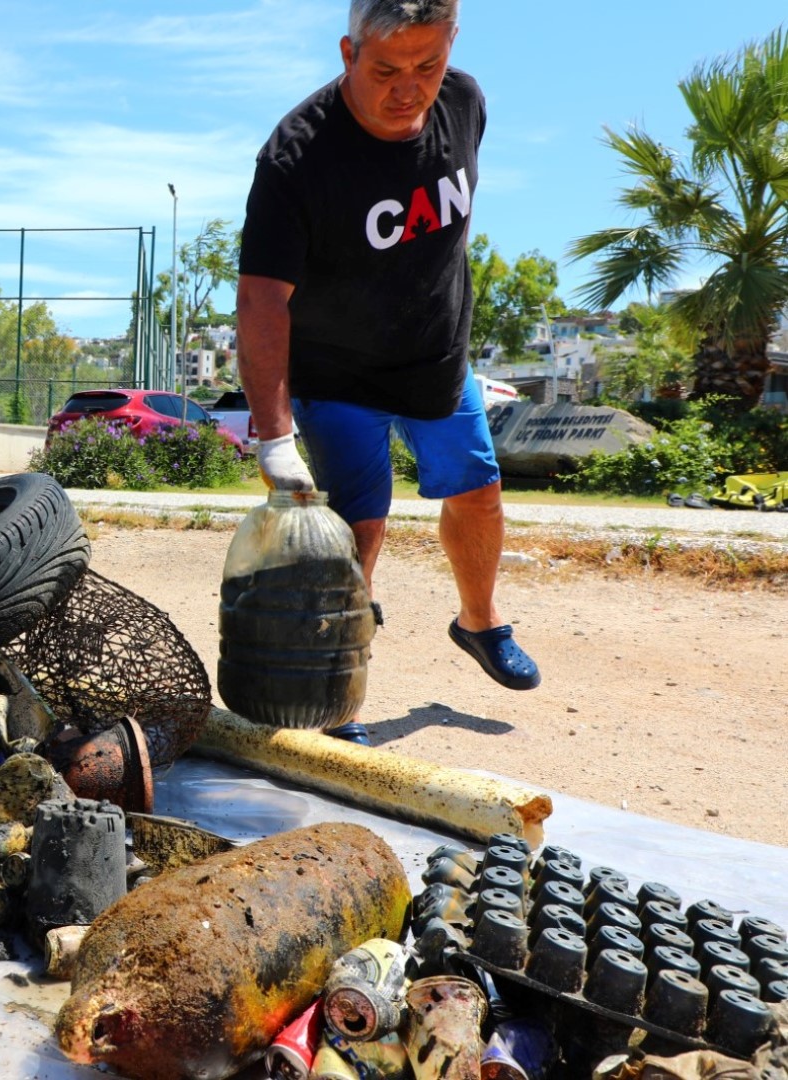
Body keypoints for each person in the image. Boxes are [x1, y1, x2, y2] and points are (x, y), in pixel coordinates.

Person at [236, 0, 539, 742]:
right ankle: (341, 696)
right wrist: (273, 435)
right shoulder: (295, 158)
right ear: (347, 52)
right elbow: (261, 300)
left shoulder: (463, 102)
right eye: (385, 70)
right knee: (358, 527)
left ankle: (478, 622)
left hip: (433, 355)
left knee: (478, 495)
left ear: (451, 49)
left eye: (426, 65)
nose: (408, 88)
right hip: (335, 370)